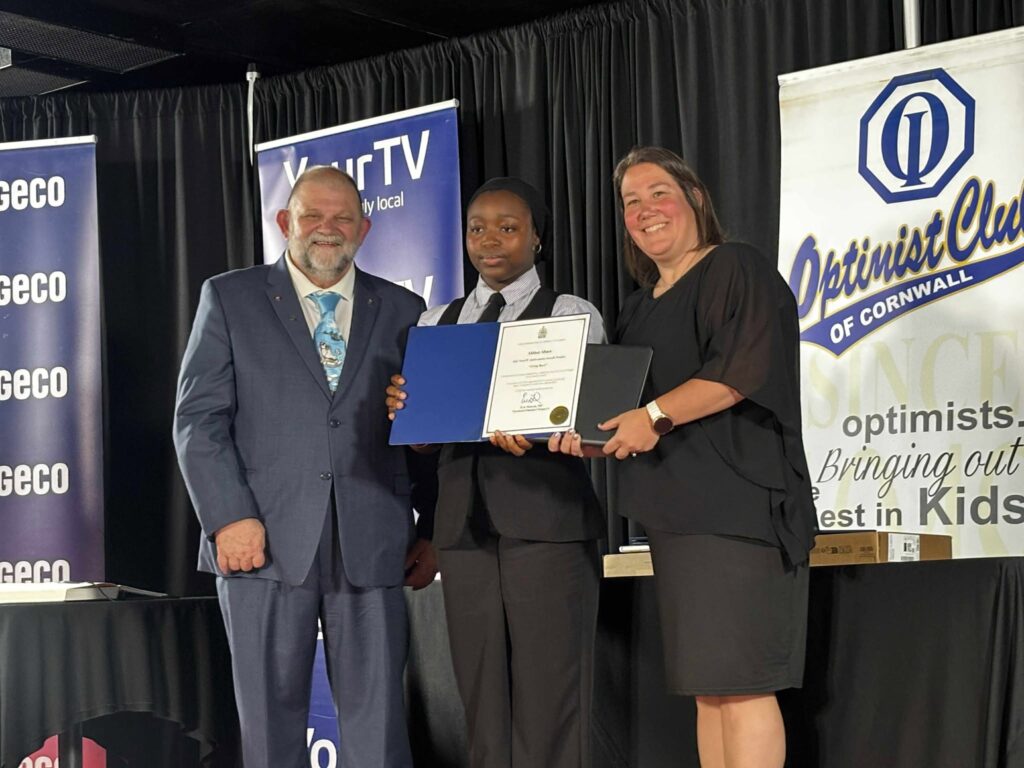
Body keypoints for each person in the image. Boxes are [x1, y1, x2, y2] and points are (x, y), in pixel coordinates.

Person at [553, 147, 818, 768]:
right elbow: (626, 409)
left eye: (659, 193)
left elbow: (739, 372)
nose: (645, 210)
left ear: (695, 198)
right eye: (631, 202)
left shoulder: (735, 267)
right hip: (676, 519)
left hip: (738, 511)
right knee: (709, 691)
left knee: (745, 687)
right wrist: (585, 435)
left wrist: (652, 417)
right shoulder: (639, 305)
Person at [173, 165, 436, 768]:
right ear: (284, 221)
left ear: (364, 228)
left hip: (374, 540)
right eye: (312, 215)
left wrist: (432, 528)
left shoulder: (405, 308)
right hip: (261, 541)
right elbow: (197, 420)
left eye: (343, 217)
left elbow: (419, 430)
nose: (327, 227)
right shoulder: (229, 297)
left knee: (380, 731)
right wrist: (228, 517)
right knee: (270, 730)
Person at [386, 177, 605, 768]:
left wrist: (542, 427)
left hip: (549, 523)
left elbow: (592, 419)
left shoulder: (571, 313)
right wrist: (411, 418)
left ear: (537, 238)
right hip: (463, 530)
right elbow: (425, 443)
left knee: (551, 693)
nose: (489, 241)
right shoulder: (436, 321)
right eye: (477, 228)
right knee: (480, 694)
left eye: (508, 228)